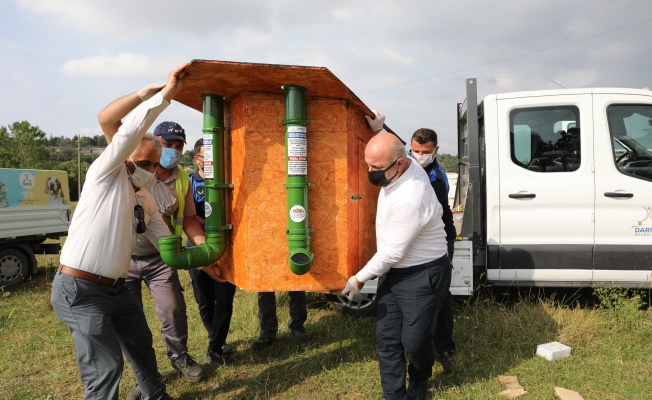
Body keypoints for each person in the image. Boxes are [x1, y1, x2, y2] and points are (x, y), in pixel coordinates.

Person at [50, 64, 188, 400]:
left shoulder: (144, 198)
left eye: (156, 165)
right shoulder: (105, 174)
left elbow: (165, 241)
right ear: (130, 159)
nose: (154, 172)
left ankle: (155, 396)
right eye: (148, 164)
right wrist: (163, 94)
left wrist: (210, 260)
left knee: (140, 344)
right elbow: (126, 129)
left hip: (116, 290)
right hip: (81, 290)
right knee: (105, 368)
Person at [342, 131, 452, 400]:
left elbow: (392, 252)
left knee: (414, 342)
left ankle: (419, 378)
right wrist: (378, 127)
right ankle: (393, 395)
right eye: (368, 165)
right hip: (394, 272)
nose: (370, 172)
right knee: (388, 337)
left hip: (423, 273)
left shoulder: (410, 197)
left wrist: (358, 279)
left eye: (377, 168)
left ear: (399, 165)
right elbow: (395, 143)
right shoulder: (405, 163)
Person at [126, 121, 211, 383]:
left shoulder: (182, 178)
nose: (172, 150)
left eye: (178, 146)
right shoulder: (131, 171)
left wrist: (206, 251)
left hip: (162, 258)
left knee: (173, 310)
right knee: (130, 318)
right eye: (167, 145)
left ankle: (179, 357)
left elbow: (189, 220)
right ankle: (145, 374)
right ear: (153, 145)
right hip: (124, 258)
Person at [410, 128, 457, 374]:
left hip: (439, 236)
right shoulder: (404, 164)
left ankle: (445, 348)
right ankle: (415, 344)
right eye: (415, 150)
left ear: (435, 150)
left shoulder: (437, 177)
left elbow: (433, 215)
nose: (419, 155)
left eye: (425, 152)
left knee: (440, 295)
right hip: (412, 237)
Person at [188, 138, 237, 365]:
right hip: (196, 248)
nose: (209, 160)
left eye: (213, 155)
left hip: (225, 248)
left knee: (224, 299)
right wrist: (207, 222)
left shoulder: (227, 181)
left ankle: (215, 349)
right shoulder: (188, 183)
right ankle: (215, 338)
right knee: (204, 300)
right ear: (196, 158)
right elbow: (185, 217)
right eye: (204, 155)